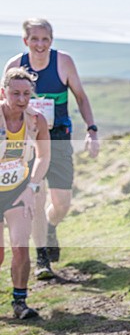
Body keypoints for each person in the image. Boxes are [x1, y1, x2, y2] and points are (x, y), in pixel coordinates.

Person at [4, 19, 100, 280]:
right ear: (26, 41)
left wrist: (92, 131)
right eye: (34, 39)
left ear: (51, 41)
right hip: (27, 142)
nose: (40, 44)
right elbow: (4, 102)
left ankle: (50, 226)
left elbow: (80, 97)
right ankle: (42, 259)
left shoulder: (63, 62)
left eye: (45, 39)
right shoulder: (14, 65)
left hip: (58, 138)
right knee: (35, 195)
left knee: (61, 203)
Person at [0, 68, 51, 318]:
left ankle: (20, 303)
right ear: (3, 92)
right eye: (15, 93)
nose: (21, 100)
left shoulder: (35, 120)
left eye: (26, 94)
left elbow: (44, 156)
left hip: (17, 191)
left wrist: (32, 187)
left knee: (21, 247)